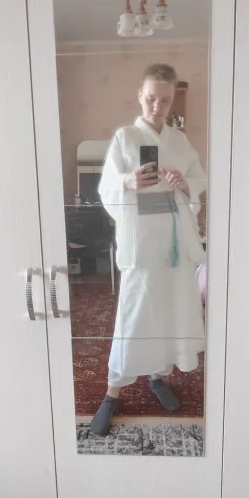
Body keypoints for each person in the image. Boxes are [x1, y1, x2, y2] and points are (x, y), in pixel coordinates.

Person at [90, 63, 207, 436]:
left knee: (170, 310)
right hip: (141, 244)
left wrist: (184, 182)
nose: (157, 107)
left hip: (173, 243)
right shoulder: (125, 138)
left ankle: (159, 376)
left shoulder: (179, 142)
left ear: (172, 100)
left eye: (165, 100)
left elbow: (199, 180)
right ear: (140, 96)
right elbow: (106, 188)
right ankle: (112, 393)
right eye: (151, 98)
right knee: (134, 313)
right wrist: (128, 180)